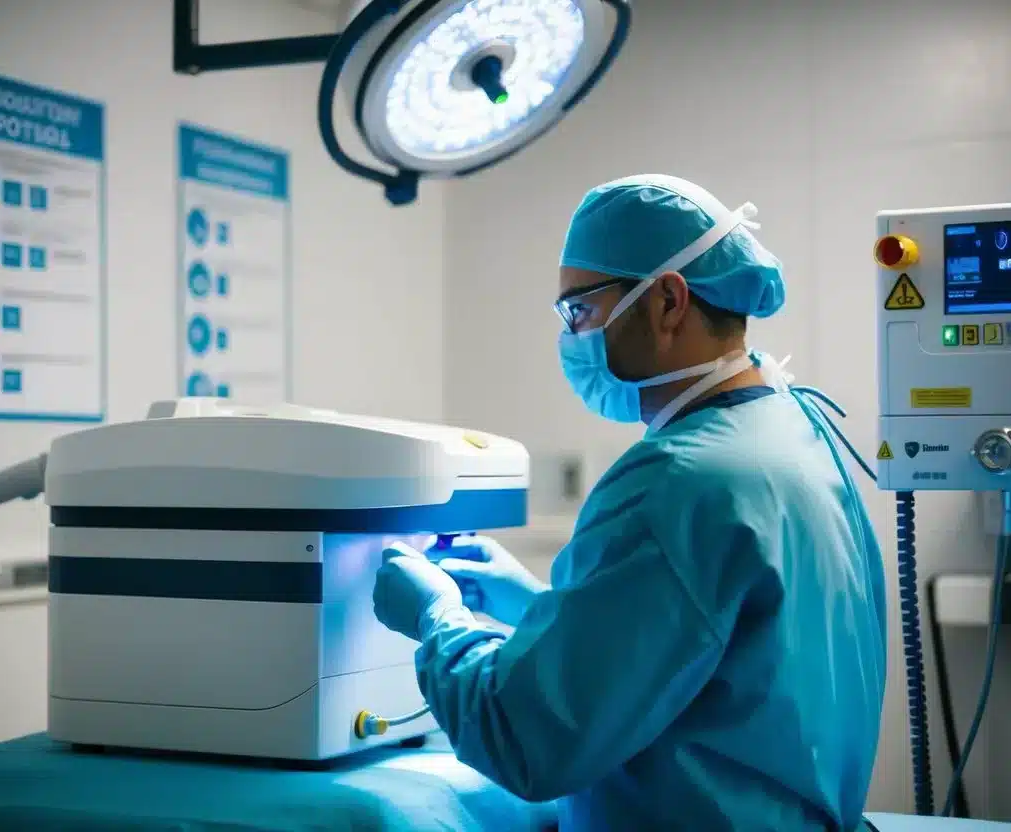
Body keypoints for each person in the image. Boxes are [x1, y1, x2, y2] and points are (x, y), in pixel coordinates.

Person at [372, 174, 887, 831]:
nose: (571, 335)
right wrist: (531, 604)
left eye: (578, 309)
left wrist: (436, 618)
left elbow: (526, 740)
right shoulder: (795, 429)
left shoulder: (674, 482)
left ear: (667, 300)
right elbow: (721, 657)